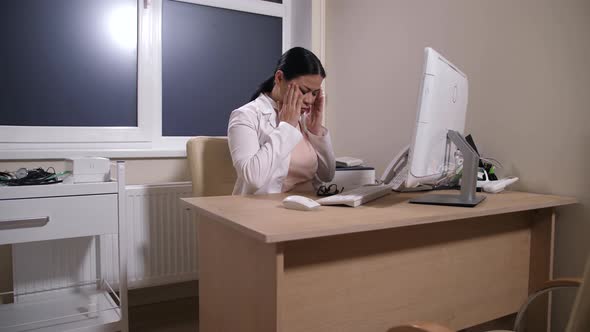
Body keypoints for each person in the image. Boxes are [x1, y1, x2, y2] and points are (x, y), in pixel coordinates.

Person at [228, 47, 335, 195]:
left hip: (309, 206)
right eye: (304, 91)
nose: (310, 100)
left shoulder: (305, 120)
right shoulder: (246, 116)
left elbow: (327, 175)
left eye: (315, 93)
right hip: (267, 211)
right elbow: (253, 178)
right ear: (279, 78)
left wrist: (316, 131)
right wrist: (287, 127)